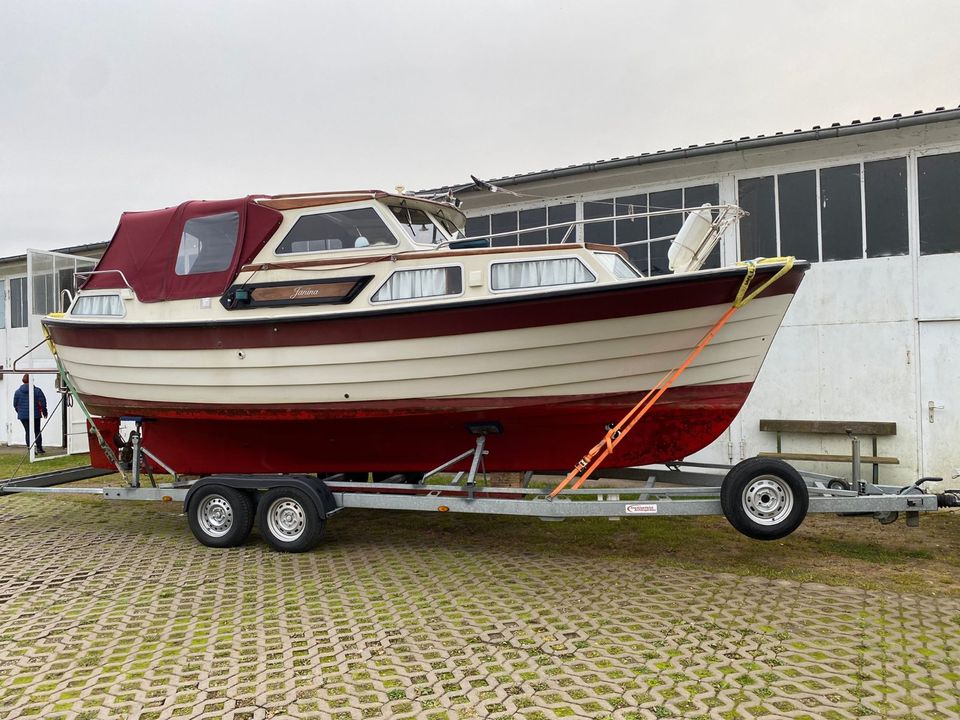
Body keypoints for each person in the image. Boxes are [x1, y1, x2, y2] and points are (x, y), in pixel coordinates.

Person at [13, 374, 47, 454]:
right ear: (31, 380)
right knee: (37, 431)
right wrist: (44, 411)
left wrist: (20, 412)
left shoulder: (17, 392)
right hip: (35, 415)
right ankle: (39, 448)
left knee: (28, 432)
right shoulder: (37, 390)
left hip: (23, 416)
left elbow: (15, 404)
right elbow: (43, 402)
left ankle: (30, 449)